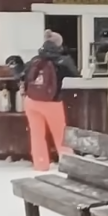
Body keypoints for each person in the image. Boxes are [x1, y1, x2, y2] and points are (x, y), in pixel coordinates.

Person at [22, 29, 79, 171]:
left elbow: (24, 76)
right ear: (59, 45)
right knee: (60, 135)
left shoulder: (35, 60)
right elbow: (75, 74)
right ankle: (69, 165)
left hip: (31, 101)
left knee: (37, 135)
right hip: (52, 102)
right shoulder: (62, 60)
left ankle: (40, 164)